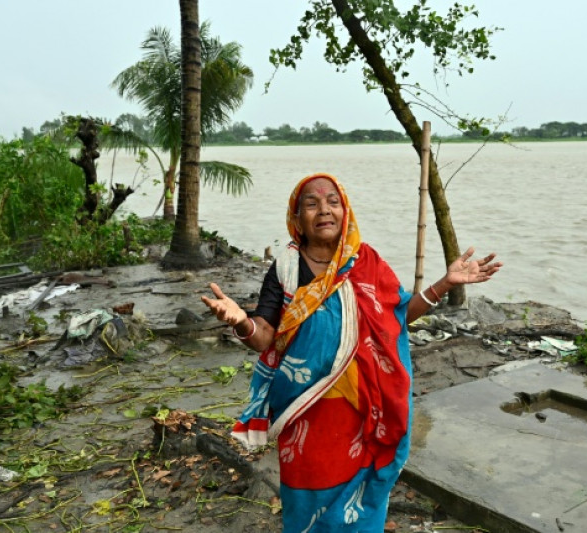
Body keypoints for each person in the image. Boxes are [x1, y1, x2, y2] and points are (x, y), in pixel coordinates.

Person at [201, 172, 502, 532]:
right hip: (306, 409)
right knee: (306, 491)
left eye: (332, 202)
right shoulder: (285, 268)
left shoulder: (366, 262)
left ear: (346, 211)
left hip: (362, 408)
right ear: (297, 219)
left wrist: (444, 283)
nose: (323, 210)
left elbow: (397, 316)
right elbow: (265, 337)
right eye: (311, 204)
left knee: (362, 494)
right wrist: (241, 322)